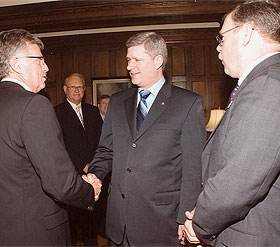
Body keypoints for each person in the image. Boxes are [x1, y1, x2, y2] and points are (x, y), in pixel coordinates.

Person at [182, 1, 280, 246]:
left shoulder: (268, 87)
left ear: (244, 34)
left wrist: (200, 224)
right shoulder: (272, 79)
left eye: (221, 37)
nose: (218, 49)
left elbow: (237, 183)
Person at [0, 29, 101, 246]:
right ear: (17, 65)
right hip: (36, 235)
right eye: (39, 60)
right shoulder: (34, 105)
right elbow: (60, 184)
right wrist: (90, 191)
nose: (46, 67)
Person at [87, 31, 207, 246]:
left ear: (157, 60)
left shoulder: (187, 103)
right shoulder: (117, 101)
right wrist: (95, 175)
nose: (129, 66)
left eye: (137, 60)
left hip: (162, 223)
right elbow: (106, 150)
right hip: (119, 223)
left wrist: (185, 218)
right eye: (128, 60)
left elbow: (193, 167)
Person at [54, 73, 103, 246]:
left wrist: (95, 167)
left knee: (91, 225)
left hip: (94, 176)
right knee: (71, 228)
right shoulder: (56, 113)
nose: (77, 90)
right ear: (65, 89)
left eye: (80, 87)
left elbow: (101, 142)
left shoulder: (93, 111)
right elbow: (59, 146)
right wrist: (82, 165)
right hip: (72, 176)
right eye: (73, 87)